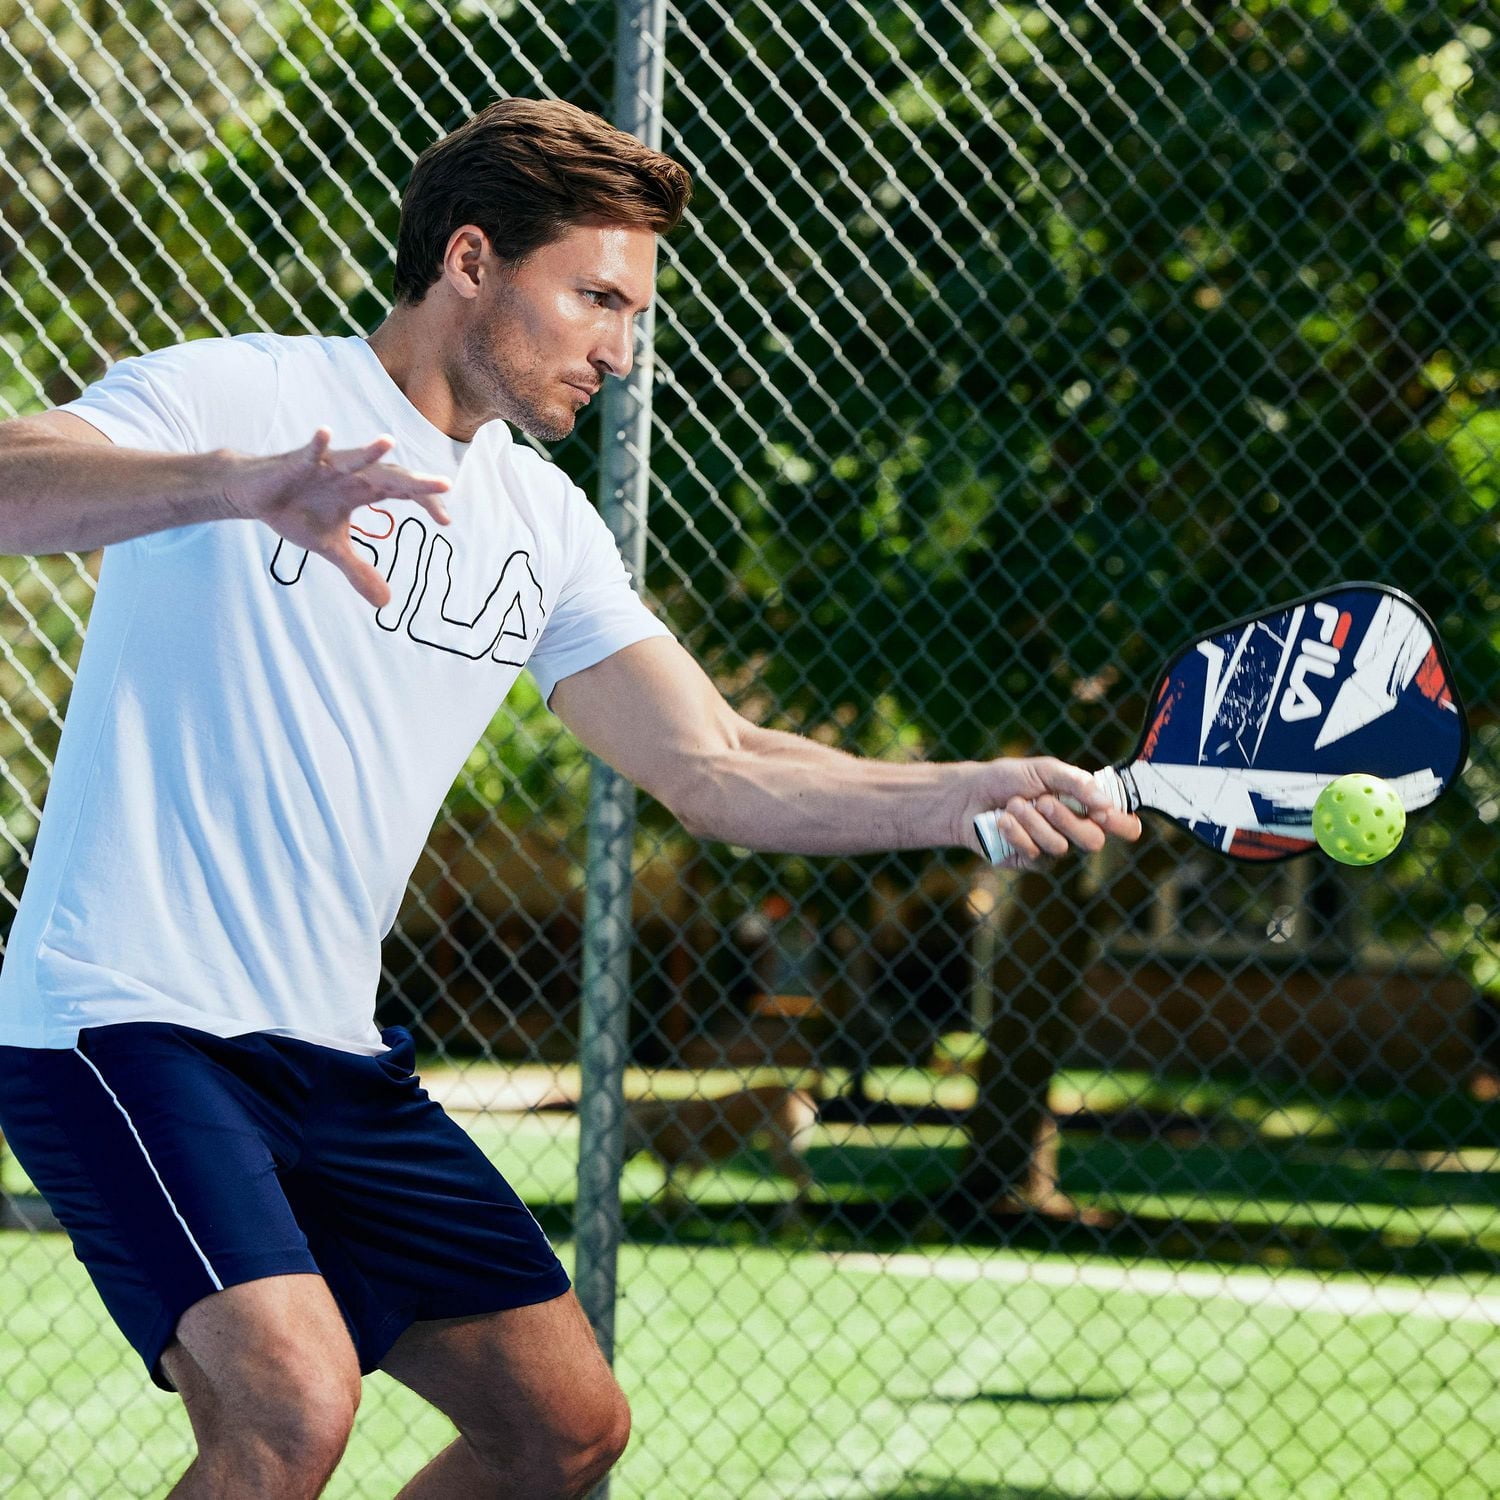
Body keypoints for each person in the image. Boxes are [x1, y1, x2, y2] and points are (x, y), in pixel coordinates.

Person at [0, 97, 1140, 1499]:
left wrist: (969, 794)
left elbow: (714, 759)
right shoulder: (237, 394)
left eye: (635, 307)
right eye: (596, 295)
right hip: (126, 1015)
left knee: (566, 1430)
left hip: (331, 1052)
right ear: (471, 260)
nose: (621, 344)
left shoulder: (540, 523)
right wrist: (236, 487)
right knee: (289, 1411)